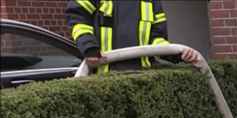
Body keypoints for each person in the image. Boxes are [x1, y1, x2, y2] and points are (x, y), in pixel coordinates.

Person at [66, 0, 200, 73]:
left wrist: (178, 53)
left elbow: (156, 39)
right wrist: (90, 49)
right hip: (105, 78)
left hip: (143, 78)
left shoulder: (152, 2)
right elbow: (78, 19)